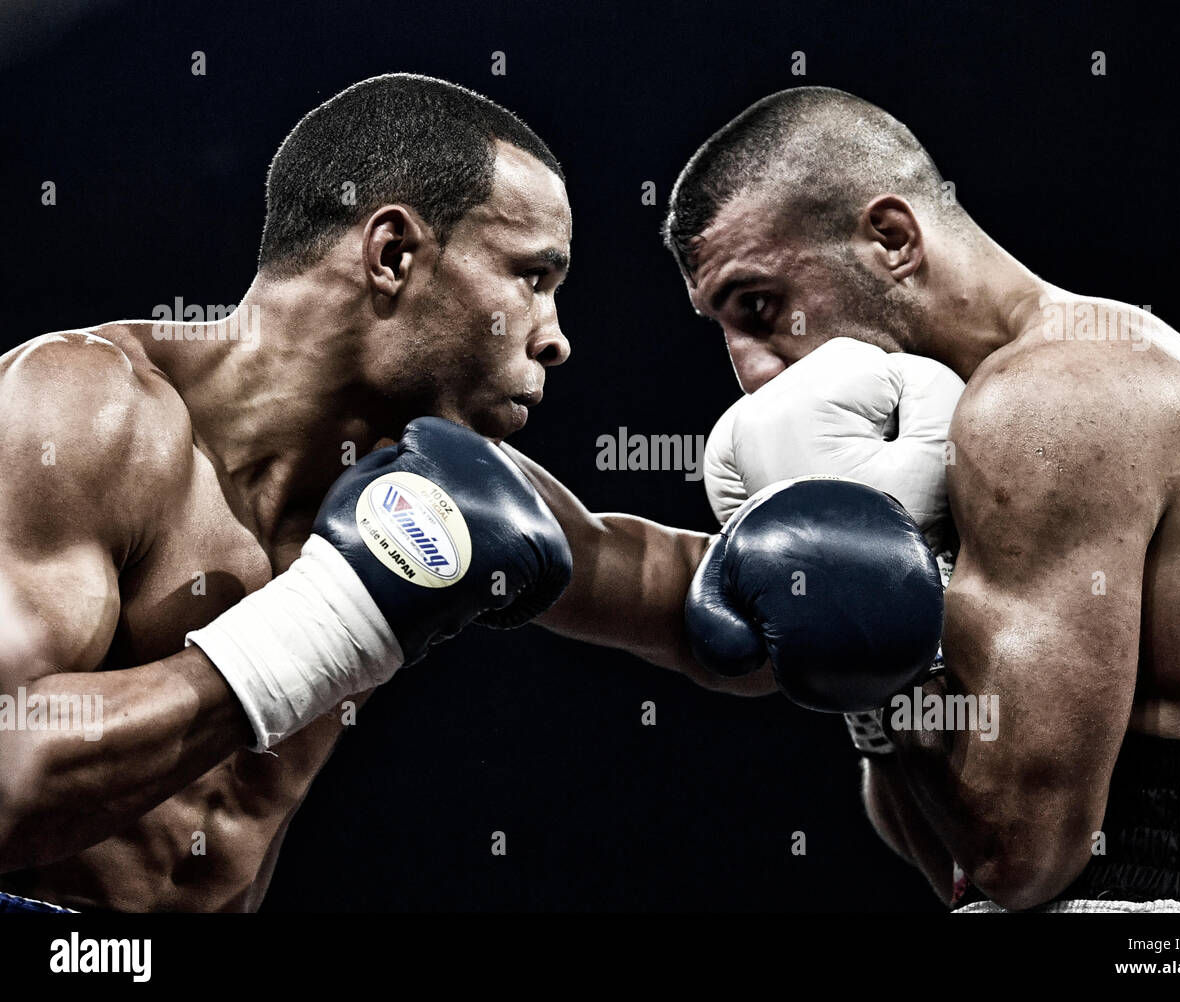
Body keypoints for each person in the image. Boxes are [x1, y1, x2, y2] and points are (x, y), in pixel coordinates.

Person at [0, 74, 937, 912]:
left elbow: (701, 609)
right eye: (533, 277)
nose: (556, 336)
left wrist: (884, 555)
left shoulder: (435, 483)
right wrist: (331, 617)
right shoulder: (82, 411)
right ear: (395, 253)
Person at [657, 85, 1180, 912]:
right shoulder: (948, 443)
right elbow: (947, 858)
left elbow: (1018, 853)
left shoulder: (1056, 395)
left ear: (890, 239)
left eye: (760, 306)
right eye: (725, 328)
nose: (751, 370)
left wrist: (879, 632)